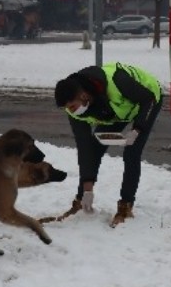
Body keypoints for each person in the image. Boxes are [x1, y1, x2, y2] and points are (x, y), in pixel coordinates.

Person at [54, 62, 163, 228]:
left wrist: (137, 129)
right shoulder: (74, 110)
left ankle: (126, 206)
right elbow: (85, 149)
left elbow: (148, 100)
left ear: (83, 96)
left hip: (147, 100)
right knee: (94, 148)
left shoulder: (118, 81)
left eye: (72, 106)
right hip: (115, 112)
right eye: (67, 108)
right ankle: (81, 200)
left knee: (131, 153)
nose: (71, 111)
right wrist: (87, 189)